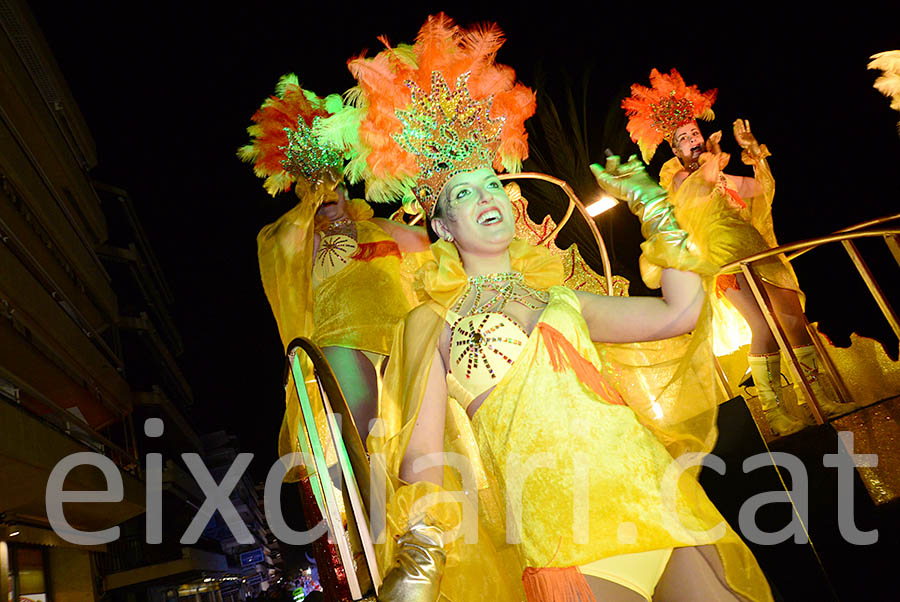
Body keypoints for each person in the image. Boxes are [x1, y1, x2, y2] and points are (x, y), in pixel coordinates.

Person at [327, 15, 774, 602]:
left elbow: (679, 313)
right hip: (564, 530)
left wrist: (651, 205)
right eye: (463, 193)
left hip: (652, 497)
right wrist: (419, 557)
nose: (485, 197)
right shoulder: (430, 322)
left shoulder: (560, 296)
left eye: (490, 185)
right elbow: (423, 452)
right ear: (441, 224)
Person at [622, 68, 849, 436]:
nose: (693, 140)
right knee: (764, 326)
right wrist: (713, 159)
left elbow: (762, 189)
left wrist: (754, 154)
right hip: (726, 259)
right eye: (684, 138)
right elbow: (698, 189)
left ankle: (817, 398)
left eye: (695, 133)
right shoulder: (679, 179)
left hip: (756, 250)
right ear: (675, 150)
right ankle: (774, 411)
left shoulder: (721, 174)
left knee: (793, 320)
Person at [241, 74, 430, 461]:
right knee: (362, 435)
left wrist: (428, 192)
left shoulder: (377, 226)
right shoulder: (302, 237)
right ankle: (372, 512)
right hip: (342, 340)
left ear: (347, 188)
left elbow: (433, 246)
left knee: (416, 430)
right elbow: (278, 249)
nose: (327, 191)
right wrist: (309, 209)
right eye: (315, 186)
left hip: (401, 336)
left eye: (334, 183)